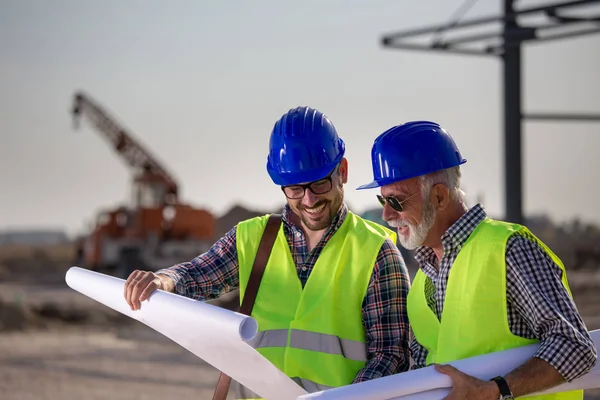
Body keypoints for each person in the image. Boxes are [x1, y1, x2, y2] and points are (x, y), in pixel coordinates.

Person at [123, 106, 412, 398]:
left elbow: (390, 357)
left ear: (343, 172)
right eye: (295, 189)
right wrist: (164, 281)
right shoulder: (252, 238)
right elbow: (198, 273)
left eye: (319, 183)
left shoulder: (377, 253)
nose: (309, 199)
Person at [357, 120, 597, 400]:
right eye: (382, 200)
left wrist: (496, 390)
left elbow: (576, 346)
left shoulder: (508, 249)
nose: (386, 215)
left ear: (438, 196)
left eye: (396, 201)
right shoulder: (423, 279)